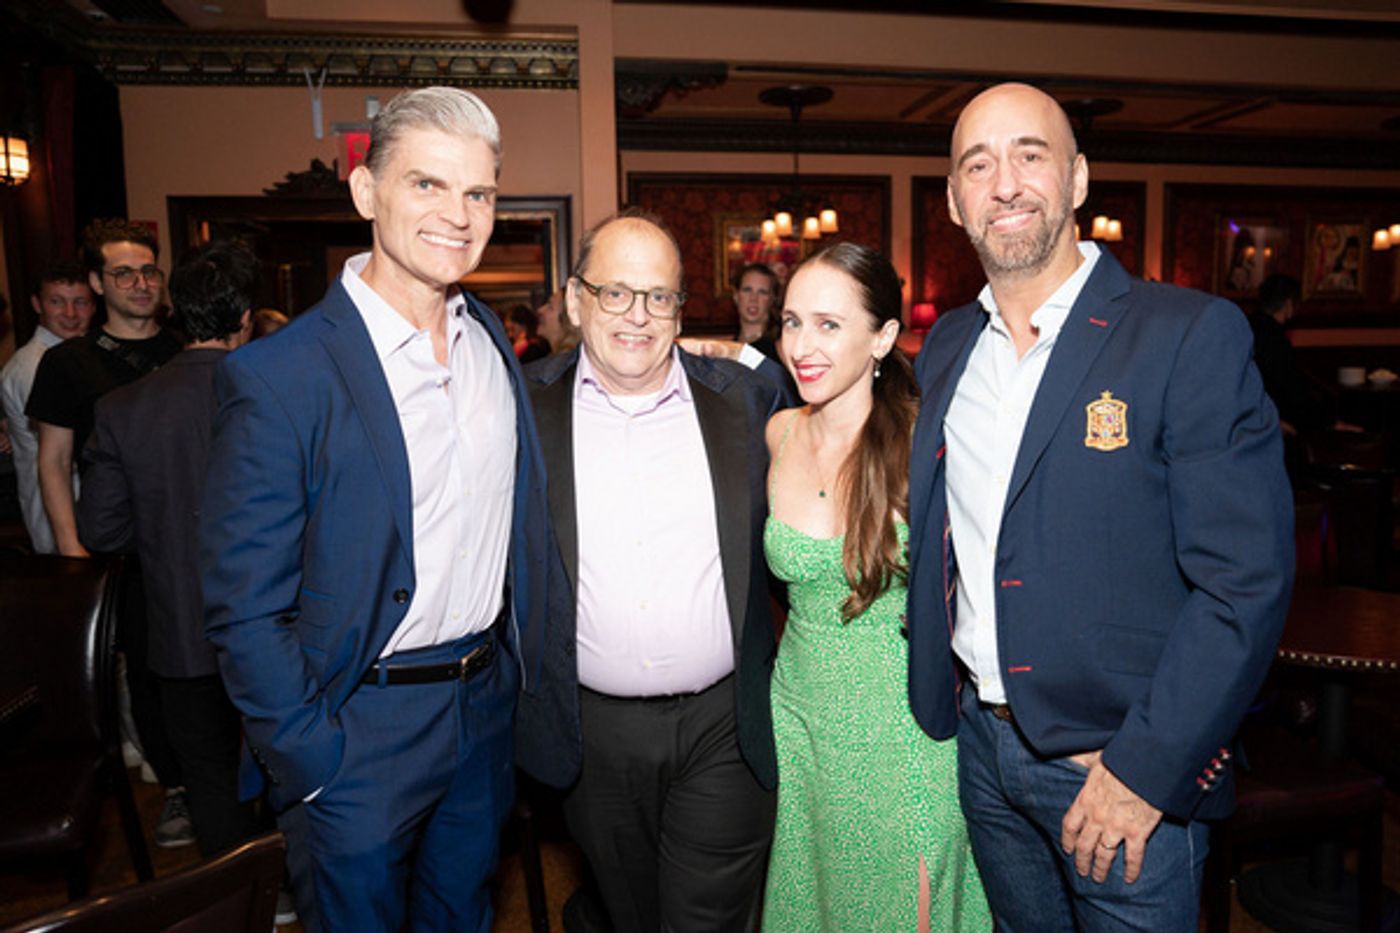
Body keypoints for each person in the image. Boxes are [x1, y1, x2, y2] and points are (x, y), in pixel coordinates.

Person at [905, 82, 1293, 932]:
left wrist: (1147, 768)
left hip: (1115, 773)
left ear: (1078, 179)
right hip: (982, 750)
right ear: (953, 201)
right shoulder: (947, 346)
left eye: (1030, 155)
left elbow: (1244, 584)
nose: (1004, 183)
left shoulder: (1187, 335)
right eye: (979, 163)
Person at [199, 86, 575, 933]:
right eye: (427, 185)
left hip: (482, 715)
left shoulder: (491, 348)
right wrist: (311, 756)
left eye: (477, 192)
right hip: (355, 728)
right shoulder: (279, 375)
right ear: (368, 193)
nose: (459, 213)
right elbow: (243, 605)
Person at [520, 211, 785, 933]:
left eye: (659, 296)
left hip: (723, 725)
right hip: (592, 734)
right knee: (628, 913)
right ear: (576, 300)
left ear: (681, 308)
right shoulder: (522, 407)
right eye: (616, 293)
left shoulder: (742, 400)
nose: (638, 315)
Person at [761, 242, 990, 932]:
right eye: (793, 321)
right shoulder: (777, 433)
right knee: (820, 903)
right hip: (801, 720)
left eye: (829, 324)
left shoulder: (928, 444)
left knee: (906, 906)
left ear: (884, 336)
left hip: (902, 731)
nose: (803, 344)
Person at [77, 239, 261, 859]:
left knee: (207, 770)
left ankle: (242, 900)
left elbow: (101, 530)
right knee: (281, 759)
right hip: (276, 621)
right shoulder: (275, 395)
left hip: (181, 623)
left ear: (176, 312)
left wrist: (164, 538)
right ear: (244, 319)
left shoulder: (123, 408)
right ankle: (289, 884)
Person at [25, 218, 188, 848]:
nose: (140, 283)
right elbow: (53, 462)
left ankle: (220, 781)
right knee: (146, 670)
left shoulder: (184, 347)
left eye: (149, 271)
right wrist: (72, 551)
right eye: (124, 273)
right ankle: (175, 786)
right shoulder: (69, 364)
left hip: (194, 543)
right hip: (122, 549)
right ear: (98, 282)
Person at [0, 261, 96, 554]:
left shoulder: (78, 357)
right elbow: (60, 452)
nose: (70, 313)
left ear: (94, 306)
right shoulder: (36, 365)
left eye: (80, 302)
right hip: (63, 525)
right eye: (57, 302)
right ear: (37, 304)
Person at [733, 262, 783, 362]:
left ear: (772, 299)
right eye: (747, 290)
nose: (753, 298)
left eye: (762, 292)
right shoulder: (725, 348)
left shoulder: (779, 351)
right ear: (736, 296)